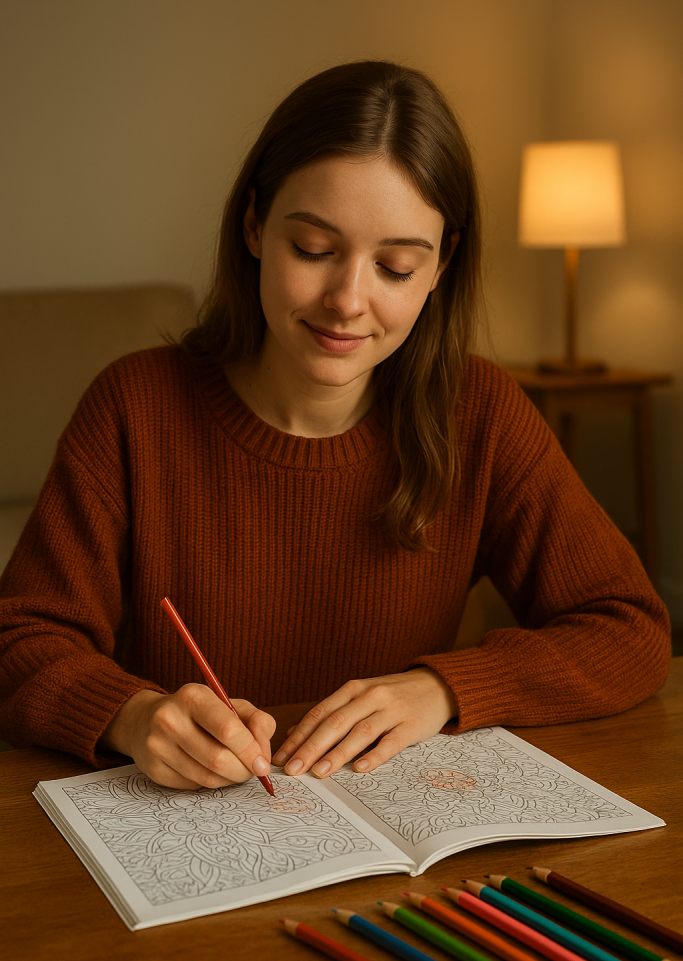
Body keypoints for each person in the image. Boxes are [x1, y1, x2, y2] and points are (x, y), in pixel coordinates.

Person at [0, 61, 670, 792]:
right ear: (255, 225)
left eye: (395, 266)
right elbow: (21, 639)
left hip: (391, 839)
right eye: (314, 251)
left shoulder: (479, 411)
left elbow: (628, 629)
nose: (348, 300)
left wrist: (441, 689)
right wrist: (131, 716)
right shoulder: (135, 406)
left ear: (441, 264)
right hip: (177, 825)